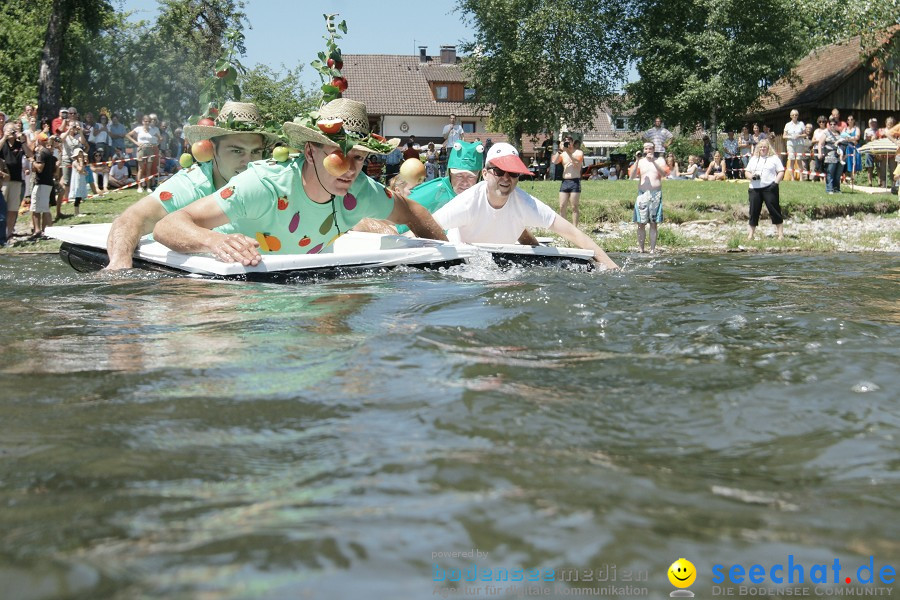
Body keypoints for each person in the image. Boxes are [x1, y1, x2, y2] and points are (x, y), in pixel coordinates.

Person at [152, 98, 448, 265]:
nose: (350, 170)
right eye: (338, 155)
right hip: (245, 290)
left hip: (311, 289)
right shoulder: (264, 185)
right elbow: (167, 225)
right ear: (310, 152)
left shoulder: (361, 191)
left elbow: (412, 211)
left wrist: (446, 262)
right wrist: (216, 241)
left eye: (359, 158)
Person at [106, 101, 279, 269]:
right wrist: (119, 266)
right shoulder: (193, 182)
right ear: (212, 150)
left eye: (256, 152)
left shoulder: (269, 180)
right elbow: (133, 219)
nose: (248, 162)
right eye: (236, 151)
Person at [432, 142, 618, 269]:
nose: (506, 178)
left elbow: (573, 233)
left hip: (499, 264)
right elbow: (424, 228)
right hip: (463, 265)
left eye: (513, 173)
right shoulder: (466, 203)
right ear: (485, 173)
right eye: (499, 171)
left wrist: (611, 267)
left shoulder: (526, 203)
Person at [629, 142, 668, 253]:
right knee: (641, 223)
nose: (648, 151)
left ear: (654, 149)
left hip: (655, 194)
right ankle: (641, 249)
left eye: (650, 149)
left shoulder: (660, 161)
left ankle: (652, 249)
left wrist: (654, 162)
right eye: (646, 149)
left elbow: (664, 174)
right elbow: (631, 176)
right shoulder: (640, 162)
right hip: (643, 194)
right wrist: (636, 161)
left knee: (653, 223)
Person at [744, 138, 785, 240]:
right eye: (760, 147)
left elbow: (781, 171)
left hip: (769, 187)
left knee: (774, 210)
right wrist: (751, 177)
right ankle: (750, 235)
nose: (762, 149)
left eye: (765, 147)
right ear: (758, 148)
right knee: (753, 211)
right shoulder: (753, 159)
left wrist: (775, 183)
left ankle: (780, 234)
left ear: (768, 148)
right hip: (754, 188)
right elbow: (746, 172)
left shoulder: (774, 158)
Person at [1, 123, 31, 240]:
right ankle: (1, 234)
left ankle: (9, 234)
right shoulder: (3, 143)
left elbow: (30, 154)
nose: (11, 132)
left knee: (13, 209)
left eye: (13, 130)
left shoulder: (19, 144)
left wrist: (23, 141)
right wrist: (4, 137)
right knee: (2, 209)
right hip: (3, 180)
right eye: (9, 130)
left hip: (17, 180)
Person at [552, 137, 584, 226]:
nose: (567, 144)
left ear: (572, 142)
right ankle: (564, 227)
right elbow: (554, 161)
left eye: (569, 142)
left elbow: (576, 162)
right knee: (562, 206)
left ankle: (575, 227)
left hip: (575, 181)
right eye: (565, 142)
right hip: (565, 182)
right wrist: (560, 150)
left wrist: (568, 152)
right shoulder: (563, 154)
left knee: (574, 206)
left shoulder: (578, 152)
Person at [30, 133, 57, 237]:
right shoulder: (48, 153)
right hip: (47, 182)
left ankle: (42, 230)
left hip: (42, 183)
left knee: (38, 207)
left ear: (39, 141)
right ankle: (44, 230)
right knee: (43, 207)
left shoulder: (41, 153)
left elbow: (40, 168)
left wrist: (32, 162)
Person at [125, 115, 161, 193]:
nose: (147, 123)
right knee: (141, 169)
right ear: (142, 121)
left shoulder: (153, 130)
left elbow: (160, 138)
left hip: (150, 149)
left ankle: (148, 187)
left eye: (148, 121)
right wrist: (136, 143)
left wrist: (156, 144)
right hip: (141, 148)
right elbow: (127, 135)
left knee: (149, 169)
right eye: (145, 121)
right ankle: (139, 186)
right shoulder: (138, 129)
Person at [818, 117, 845, 194]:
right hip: (830, 154)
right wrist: (820, 153)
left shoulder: (840, 133)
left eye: (834, 124)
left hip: (840, 154)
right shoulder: (826, 132)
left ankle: (837, 188)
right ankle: (829, 189)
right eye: (831, 124)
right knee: (830, 172)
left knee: (838, 173)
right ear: (829, 125)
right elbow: (820, 143)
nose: (832, 125)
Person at [783, 110, 806, 182]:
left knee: (799, 160)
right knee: (791, 160)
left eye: (796, 115)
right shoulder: (787, 125)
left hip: (799, 144)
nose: (794, 116)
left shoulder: (801, 124)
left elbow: (805, 134)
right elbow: (784, 136)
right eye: (793, 115)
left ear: (798, 116)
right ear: (790, 116)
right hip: (791, 144)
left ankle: (801, 178)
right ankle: (792, 178)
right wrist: (790, 137)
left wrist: (799, 135)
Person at [69, 148, 88, 216]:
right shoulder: (74, 162)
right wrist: (81, 162)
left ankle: (78, 211)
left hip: (81, 181)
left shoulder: (82, 163)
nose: (81, 157)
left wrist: (85, 172)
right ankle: (76, 212)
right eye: (79, 155)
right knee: (77, 196)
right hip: (76, 181)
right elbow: (79, 169)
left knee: (80, 197)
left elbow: (83, 171)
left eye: (81, 155)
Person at [840, 115, 861, 179]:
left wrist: (848, 138)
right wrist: (852, 139)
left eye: (851, 119)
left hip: (855, 147)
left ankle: (853, 177)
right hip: (847, 146)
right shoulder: (845, 129)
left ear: (854, 120)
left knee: (855, 162)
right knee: (846, 161)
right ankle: (845, 178)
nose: (850, 121)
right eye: (848, 120)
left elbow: (857, 137)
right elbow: (842, 137)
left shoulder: (856, 128)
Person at [811, 116, 828, 182]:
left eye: (823, 122)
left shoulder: (827, 130)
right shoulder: (816, 131)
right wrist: (818, 141)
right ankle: (820, 178)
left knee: (823, 163)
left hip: (824, 148)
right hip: (816, 148)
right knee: (817, 164)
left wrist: (821, 141)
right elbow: (812, 140)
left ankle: (823, 178)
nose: (821, 123)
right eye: (820, 122)